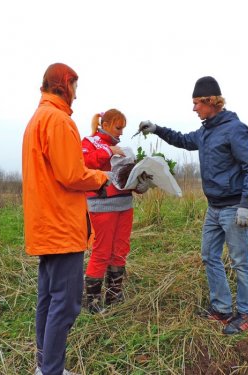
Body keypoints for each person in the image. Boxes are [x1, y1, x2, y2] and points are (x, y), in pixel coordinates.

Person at [138, 76, 248, 335]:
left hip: (234, 208)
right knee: (209, 256)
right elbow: (183, 140)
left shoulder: (234, 129)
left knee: (240, 261)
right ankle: (222, 308)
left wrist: (247, 204)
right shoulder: (206, 131)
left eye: (197, 103)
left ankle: (247, 314)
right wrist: (157, 129)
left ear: (211, 101)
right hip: (214, 208)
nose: (194, 109)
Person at [22, 62, 110, 375]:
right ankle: (52, 371)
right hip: (61, 228)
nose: (76, 94)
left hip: (47, 226)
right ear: (66, 84)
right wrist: (102, 177)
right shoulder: (58, 120)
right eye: (75, 86)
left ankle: (45, 366)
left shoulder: (38, 118)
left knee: (48, 299)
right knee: (67, 303)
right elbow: (71, 174)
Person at [82, 109, 152, 314]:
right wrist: (110, 151)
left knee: (120, 249)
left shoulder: (123, 149)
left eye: (123, 128)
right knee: (102, 251)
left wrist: (141, 184)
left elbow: (124, 180)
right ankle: (93, 301)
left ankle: (114, 295)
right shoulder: (90, 142)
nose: (121, 132)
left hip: (124, 205)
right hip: (102, 206)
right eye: (118, 127)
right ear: (106, 125)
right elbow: (84, 163)